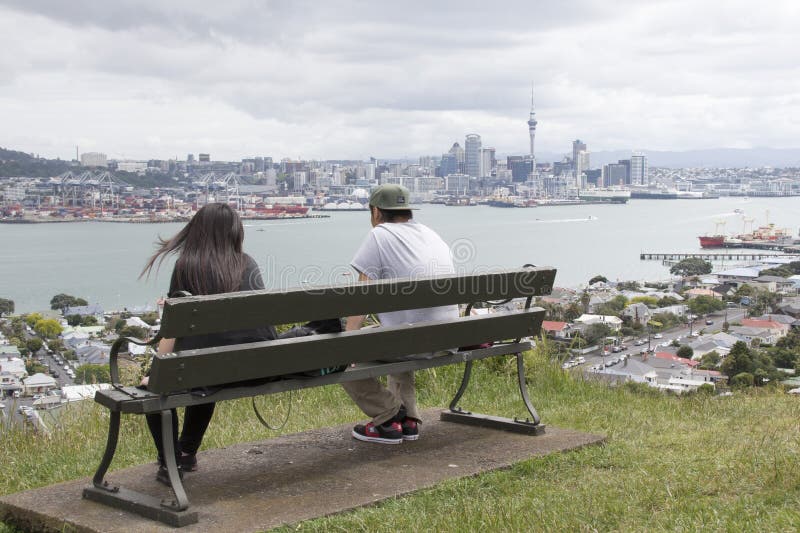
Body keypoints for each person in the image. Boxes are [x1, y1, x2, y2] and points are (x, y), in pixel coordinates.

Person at [139, 203, 276, 483]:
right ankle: (186, 452)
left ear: (197, 231)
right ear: (235, 232)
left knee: (160, 387)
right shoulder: (247, 263)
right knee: (205, 374)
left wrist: (155, 372)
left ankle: (170, 461)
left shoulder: (187, 266)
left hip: (206, 370)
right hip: (256, 368)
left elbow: (172, 328)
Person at [341, 184, 458, 444]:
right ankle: (408, 421)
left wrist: (346, 344)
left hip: (411, 340)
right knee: (398, 334)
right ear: (407, 211)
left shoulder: (379, 235)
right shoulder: (431, 234)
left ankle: (387, 417)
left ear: (376, 212)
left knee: (336, 354)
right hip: (447, 339)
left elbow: (362, 297)